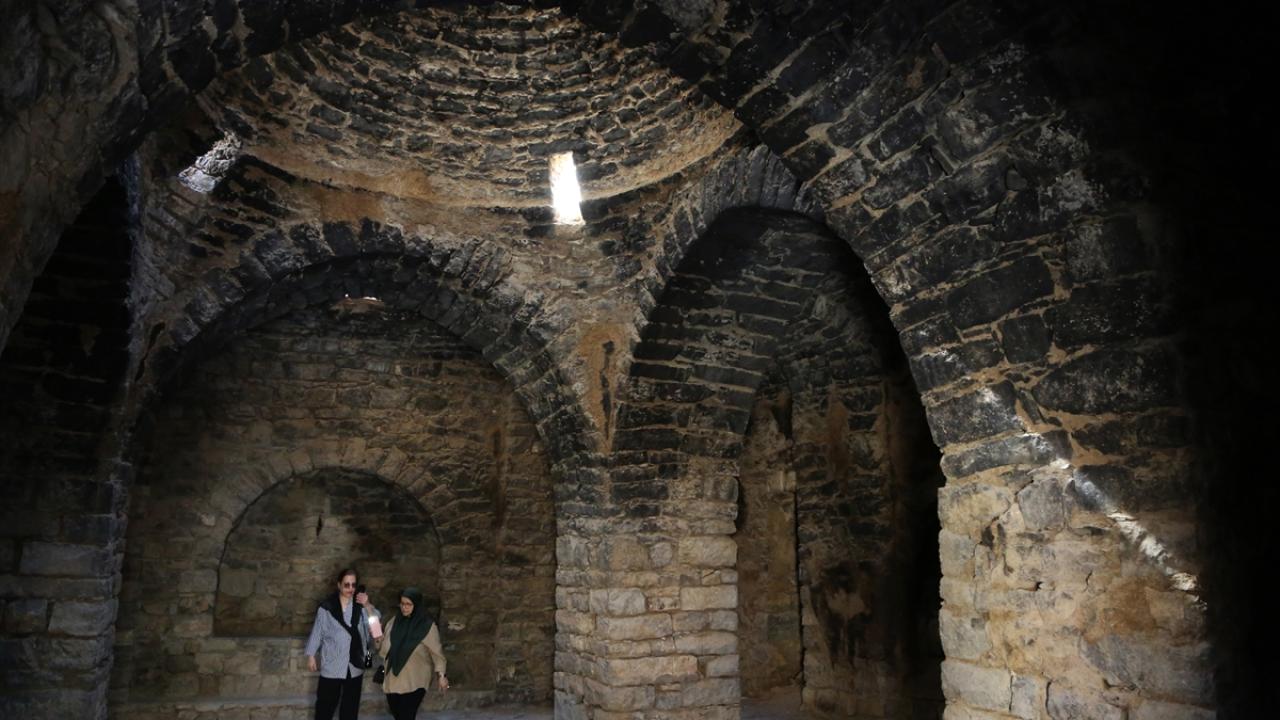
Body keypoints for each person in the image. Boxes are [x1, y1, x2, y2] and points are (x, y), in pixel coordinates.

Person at [305, 568, 381, 720]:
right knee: (325, 707)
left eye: (353, 585)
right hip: (332, 663)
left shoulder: (361, 607)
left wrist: (367, 605)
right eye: (346, 585)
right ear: (339, 585)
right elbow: (318, 631)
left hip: (354, 665)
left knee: (350, 709)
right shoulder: (327, 607)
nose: (350, 589)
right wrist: (311, 655)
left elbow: (377, 631)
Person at [377, 587, 448, 720]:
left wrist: (442, 676)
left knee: (406, 716)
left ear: (417, 605)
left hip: (415, 681)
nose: (404, 607)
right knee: (398, 715)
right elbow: (383, 650)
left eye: (409, 604)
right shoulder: (393, 622)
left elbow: (437, 653)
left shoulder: (427, 626)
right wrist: (378, 639)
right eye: (402, 603)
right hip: (393, 680)